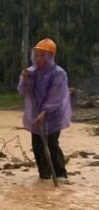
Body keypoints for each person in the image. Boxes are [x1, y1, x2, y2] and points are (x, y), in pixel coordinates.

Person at [18, 38, 72, 182]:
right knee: (37, 145)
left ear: (50, 57)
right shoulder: (31, 72)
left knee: (51, 143)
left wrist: (45, 111)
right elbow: (23, 90)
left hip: (54, 115)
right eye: (37, 55)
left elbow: (56, 96)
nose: (39, 58)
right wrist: (25, 79)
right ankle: (44, 175)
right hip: (36, 114)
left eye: (42, 55)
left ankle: (60, 173)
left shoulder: (58, 74)